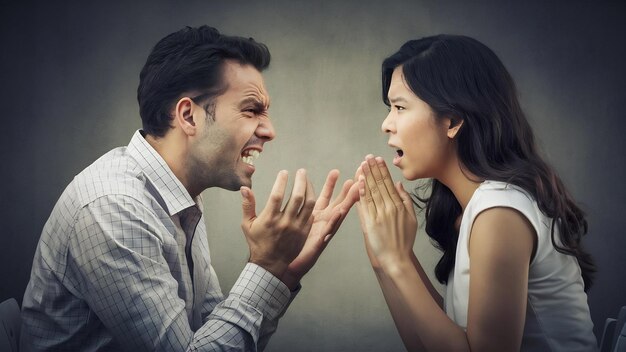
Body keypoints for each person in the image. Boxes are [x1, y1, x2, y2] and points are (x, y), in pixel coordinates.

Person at [21, 25, 358, 351]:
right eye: (252, 110)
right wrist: (265, 265)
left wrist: (282, 271)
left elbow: (210, 332)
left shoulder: (178, 196)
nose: (269, 130)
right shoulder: (113, 207)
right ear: (189, 116)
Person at [354, 35, 598, 351]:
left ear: (453, 120)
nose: (386, 124)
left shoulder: (501, 211)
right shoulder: (481, 206)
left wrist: (398, 260)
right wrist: (384, 262)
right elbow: (428, 345)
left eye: (400, 107)